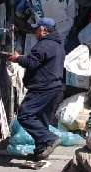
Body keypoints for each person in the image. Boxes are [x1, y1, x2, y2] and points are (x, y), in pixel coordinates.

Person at [10, 17, 65, 160]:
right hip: (55, 88)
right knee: (41, 120)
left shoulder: (44, 45)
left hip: (43, 88)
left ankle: (49, 139)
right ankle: (41, 150)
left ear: (43, 30)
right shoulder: (58, 45)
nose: (35, 32)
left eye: (37, 29)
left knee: (25, 115)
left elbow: (32, 63)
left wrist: (18, 58)